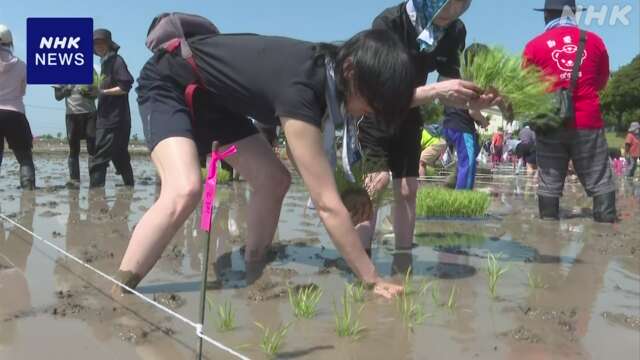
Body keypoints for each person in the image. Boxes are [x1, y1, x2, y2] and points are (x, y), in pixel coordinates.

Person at [111, 13, 495, 299]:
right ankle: (121, 287)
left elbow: (326, 162)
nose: (370, 112)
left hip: (215, 99)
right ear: (351, 71)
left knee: (274, 181)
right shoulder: (301, 91)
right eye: (372, 102)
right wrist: (371, 278)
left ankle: (254, 262)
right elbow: (326, 204)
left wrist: (350, 190)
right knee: (185, 190)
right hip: (169, 82)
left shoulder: (332, 74)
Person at [356, 0, 505, 252]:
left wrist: (475, 98)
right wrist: (437, 89)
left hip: (411, 112)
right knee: (377, 182)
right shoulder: (389, 23)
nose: (455, 11)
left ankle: (404, 259)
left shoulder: (455, 31)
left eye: (464, 5)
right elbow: (384, 94)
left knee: (407, 189)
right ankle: (360, 258)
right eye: (451, 4)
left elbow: (449, 85)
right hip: (375, 110)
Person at [524, 0, 616, 222]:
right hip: (588, 122)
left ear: (546, 15)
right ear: (573, 14)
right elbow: (601, 81)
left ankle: (548, 232)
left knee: (549, 182)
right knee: (599, 178)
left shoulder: (534, 46)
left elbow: (526, 90)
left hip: (550, 122)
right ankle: (604, 227)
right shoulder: (595, 42)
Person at [89, 28, 135, 188]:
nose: (98, 46)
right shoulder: (104, 63)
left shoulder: (116, 61)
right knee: (119, 155)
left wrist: (102, 91)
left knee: (99, 157)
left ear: (108, 44)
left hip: (114, 118)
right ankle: (129, 186)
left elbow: (125, 85)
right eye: (95, 44)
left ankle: (95, 193)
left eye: (101, 43)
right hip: (110, 116)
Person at [0, 24, 35, 190]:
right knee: (24, 158)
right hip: (14, 113)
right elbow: (22, 91)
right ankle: (28, 191)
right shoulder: (22, 65)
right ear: (10, 42)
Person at [53, 81, 98, 186]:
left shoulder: (91, 70)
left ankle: (95, 181)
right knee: (74, 149)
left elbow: (97, 93)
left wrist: (89, 93)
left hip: (90, 114)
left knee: (92, 149)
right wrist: (66, 90)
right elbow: (57, 96)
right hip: (72, 115)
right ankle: (74, 180)